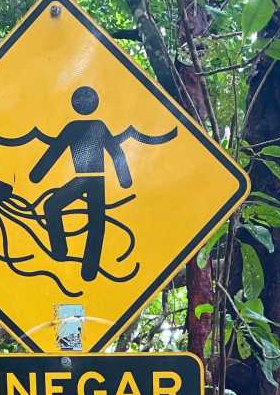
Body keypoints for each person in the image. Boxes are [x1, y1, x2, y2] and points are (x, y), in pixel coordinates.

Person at [27, 86, 176, 281]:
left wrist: (125, 180)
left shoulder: (89, 126)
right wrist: (36, 174)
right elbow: (58, 151)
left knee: (79, 216)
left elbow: (112, 152)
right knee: (74, 214)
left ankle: (81, 264)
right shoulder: (83, 127)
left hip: (91, 179)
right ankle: (64, 253)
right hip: (90, 179)